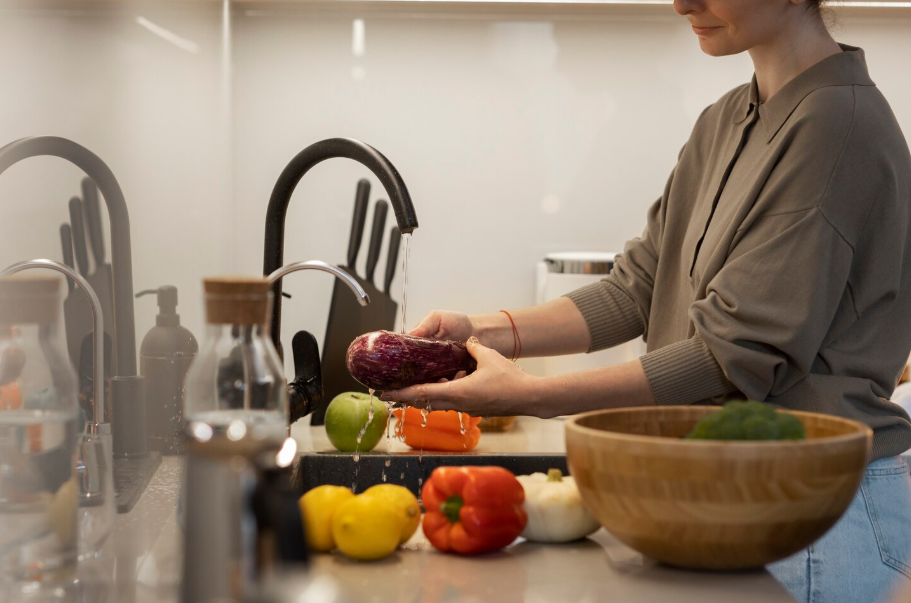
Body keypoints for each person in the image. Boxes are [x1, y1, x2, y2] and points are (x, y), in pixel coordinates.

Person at [381, 1, 911, 601]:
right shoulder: (727, 118)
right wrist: (477, 332)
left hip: (818, 517)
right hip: (745, 493)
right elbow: (637, 287)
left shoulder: (838, 126)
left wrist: (532, 397)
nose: (683, 2)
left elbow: (730, 356)